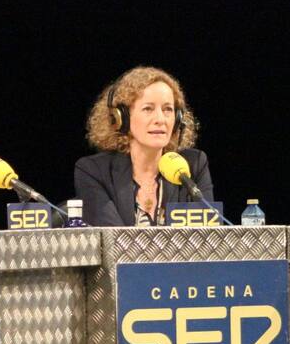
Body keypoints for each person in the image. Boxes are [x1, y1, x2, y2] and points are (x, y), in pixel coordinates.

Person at [74, 66, 214, 226]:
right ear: (121, 119)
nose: (160, 119)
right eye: (148, 109)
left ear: (177, 120)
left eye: (168, 109)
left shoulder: (194, 166)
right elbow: (111, 237)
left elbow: (207, 235)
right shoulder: (94, 171)